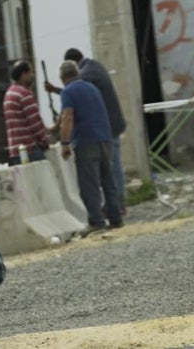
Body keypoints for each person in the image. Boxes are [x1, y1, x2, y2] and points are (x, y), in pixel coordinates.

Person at [46, 48, 127, 214]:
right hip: (106, 131)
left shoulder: (86, 76)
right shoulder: (94, 68)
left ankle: (104, 214)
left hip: (95, 135)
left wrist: (64, 141)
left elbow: (71, 103)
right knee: (109, 177)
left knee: (94, 180)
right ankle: (116, 212)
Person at [57, 60, 123, 236]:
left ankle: (96, 221)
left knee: (89, 184)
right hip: (105, 138)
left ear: (62, 78)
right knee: (108, 181)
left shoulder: (68, 91)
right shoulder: (91, 87)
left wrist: (64, 143)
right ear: (77, 73)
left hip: (86, 141)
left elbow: (68, 117)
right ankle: (116, 218)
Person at [3, 60, 50, 165]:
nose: (32, 76)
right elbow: (35, 122)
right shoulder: (24, 93)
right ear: (23, 74)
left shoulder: (9, 93)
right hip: (29, 150)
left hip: (15, 151)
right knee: (42, 180)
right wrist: (45, 141)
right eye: (31, 72)